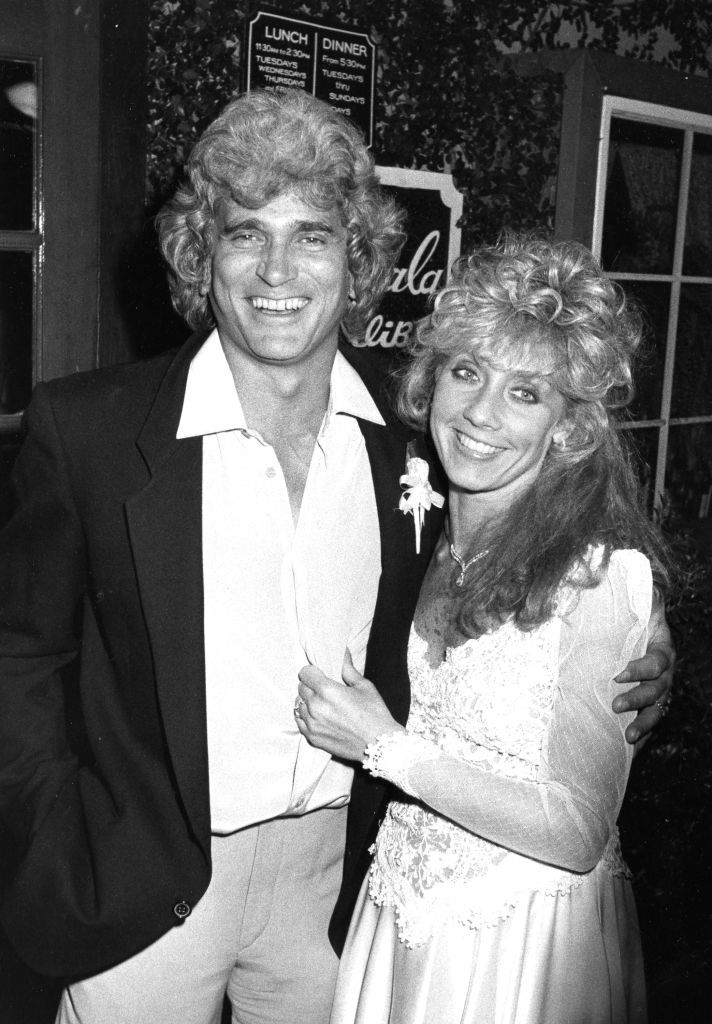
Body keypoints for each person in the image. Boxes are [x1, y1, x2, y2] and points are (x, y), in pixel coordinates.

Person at [0, 90, 670, 1024]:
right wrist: (53, 853)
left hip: (342, 891)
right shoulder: (89, 431)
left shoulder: (422, 428)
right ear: (203, 256)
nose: (277, 269)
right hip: (140, 886)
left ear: (356, 262)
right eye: (244, 234)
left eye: (313, 236)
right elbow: (20, 659)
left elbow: (553, 524)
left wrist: (636, 639)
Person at [295, 234, 674, 1024]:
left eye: (525, 393)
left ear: (568, 429)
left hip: (518, 948)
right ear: (430, 385)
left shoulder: (598, 578)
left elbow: (576, 830)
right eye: (468, 373)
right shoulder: (423, 535)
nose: (480, 414)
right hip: (401, 918)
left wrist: (384, 746)